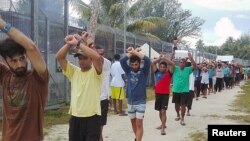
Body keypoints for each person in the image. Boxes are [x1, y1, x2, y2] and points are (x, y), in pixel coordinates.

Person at [0, 17, 49, 141]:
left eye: (22, 58)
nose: (20, 64)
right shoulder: (5, 75)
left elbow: (31, 47)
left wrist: (3, 25)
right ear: (5, 61)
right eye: (13, 61)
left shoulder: (38, 78)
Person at [56, 32, 103, 141]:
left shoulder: (96, 72)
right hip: (75, 117)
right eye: (79, 58)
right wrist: (69, 44)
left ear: (90, 59)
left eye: (85, 58)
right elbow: (59, 57)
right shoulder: (74, 72)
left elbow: (96, 57)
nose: (81, 61)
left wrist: (78, 44)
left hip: (92, 117)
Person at [120, 47, 150, 141]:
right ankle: (137, 138)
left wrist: (134, 52)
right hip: (130, 101)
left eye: (136, 64)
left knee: (139, 124)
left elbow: (147, 60)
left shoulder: (144, 72)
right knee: (133, 123)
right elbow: (122, 60)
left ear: (139, 64)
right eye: (132, 64)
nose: (134, 66)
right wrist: (132, 53)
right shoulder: (128, 71)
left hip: (141, 101)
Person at [151, 54, 174, 135]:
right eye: (161, 67)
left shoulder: (169, 73)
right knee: (160, 111)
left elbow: (172, 64)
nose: (162, 68)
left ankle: (163, 128)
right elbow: (153, 63)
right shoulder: (156, 72)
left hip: (165, 95)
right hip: (158, 94)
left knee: (163, 111)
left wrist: (165, 58)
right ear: (159, 67)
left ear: (166, 68)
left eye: (164, 67)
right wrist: (159, 59)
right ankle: (162, 124)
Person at [172, 52, 196, 126]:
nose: (182, 63)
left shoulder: (188, 69)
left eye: (183, 62)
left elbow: (195, 65)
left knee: (183, 105)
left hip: (185, 90)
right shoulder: (175, 68)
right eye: (181, 62)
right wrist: (172, 56)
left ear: (185, 64)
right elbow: (169, 63)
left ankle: (182, 118)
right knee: (176, 105)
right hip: (176, 90)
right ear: (179, 63)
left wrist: (191, 58)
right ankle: (178, 115)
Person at [94, 45, 111, 141]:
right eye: (98, 53)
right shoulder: (90, 63)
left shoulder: (107, 63)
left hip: (102, 98)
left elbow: (100, 60)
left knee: (99, 127)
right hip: (91, 98)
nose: (100, 56)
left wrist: (91, 48)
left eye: (102, 54)